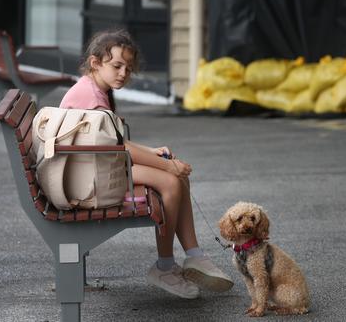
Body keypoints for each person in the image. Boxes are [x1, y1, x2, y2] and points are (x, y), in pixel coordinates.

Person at [60, 29, 233, 299]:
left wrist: (153, 152)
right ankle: (164, 266)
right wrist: (166, 166)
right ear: (95, 63)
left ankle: (194, 255)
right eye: (116, 66)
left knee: (177, 177)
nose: (123, 73)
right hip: (87, 178)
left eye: (128, 69)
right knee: (170, 181)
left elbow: (112, 140)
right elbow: (118, 147)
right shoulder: (89, 95)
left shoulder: (95, 88)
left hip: (96, 165)